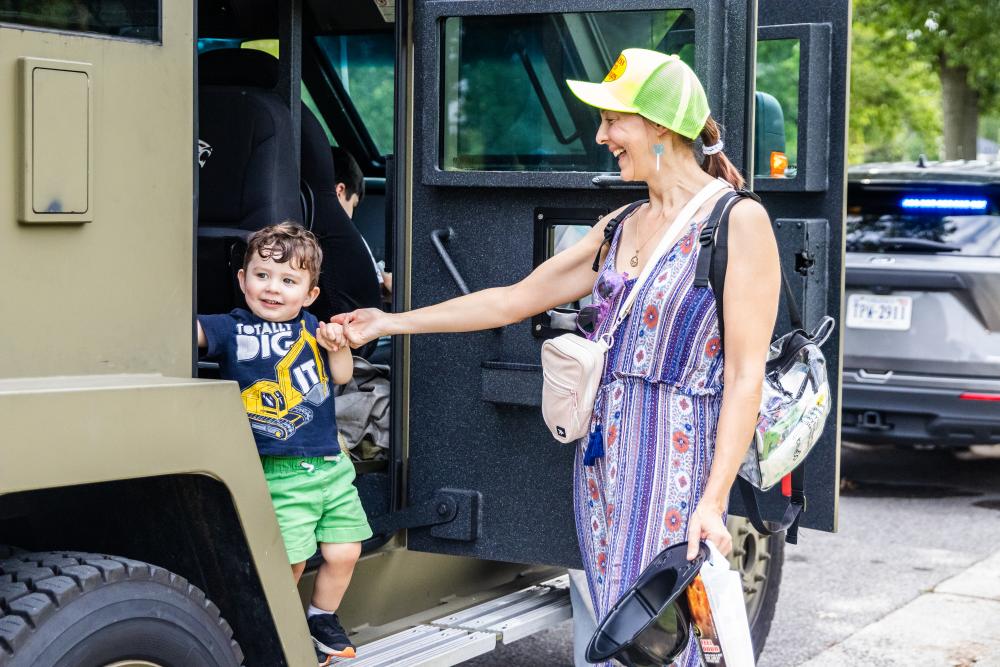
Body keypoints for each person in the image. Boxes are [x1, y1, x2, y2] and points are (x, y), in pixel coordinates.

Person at [332, 49, 779, 666]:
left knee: (674, 632)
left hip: (680, 460)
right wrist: (390, 321)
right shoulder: (620, 225)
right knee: (616, 620)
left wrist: (713, 499)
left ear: (659, 125)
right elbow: (513, 300)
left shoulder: (738, 221)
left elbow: (743, 374)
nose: (600, 136)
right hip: (602, 459)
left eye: (611, 120)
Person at [197, 222, 373, 665]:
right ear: (242, 281)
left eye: (289, 280)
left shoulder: (315, 327)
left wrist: (337, 346)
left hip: (330, 464)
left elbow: (343, 377)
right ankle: (271, 631)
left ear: (310, 294)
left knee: (345, 549)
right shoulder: (230, 328)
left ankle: (319, 619)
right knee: (289, 562)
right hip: (277, 468)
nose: (273, 288)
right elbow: (190, 333)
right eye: (262, 275)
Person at [330, 147, 392, 300]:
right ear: (340, 191)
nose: (351, 216)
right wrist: (388, 287)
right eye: (353, 204)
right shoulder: (347, 237)